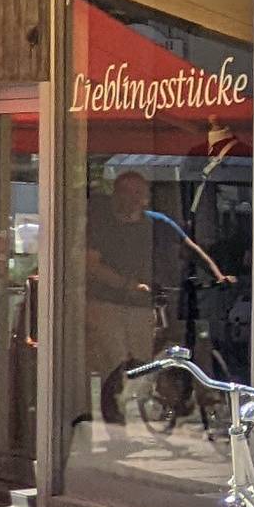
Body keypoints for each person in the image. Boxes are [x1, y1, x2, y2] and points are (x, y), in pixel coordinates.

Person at [84, 172, 174, 423]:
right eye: (125, 191)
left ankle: (137, 416)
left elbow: (182, 250)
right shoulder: (103, 226)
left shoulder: (154, 226)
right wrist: (126, 285)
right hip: (106, 304)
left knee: (142, 363)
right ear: (116, 194)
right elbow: (90, 264)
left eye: (137, 192)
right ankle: (115, 422)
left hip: (141, 307)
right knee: (114, 364)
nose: (132, 198)